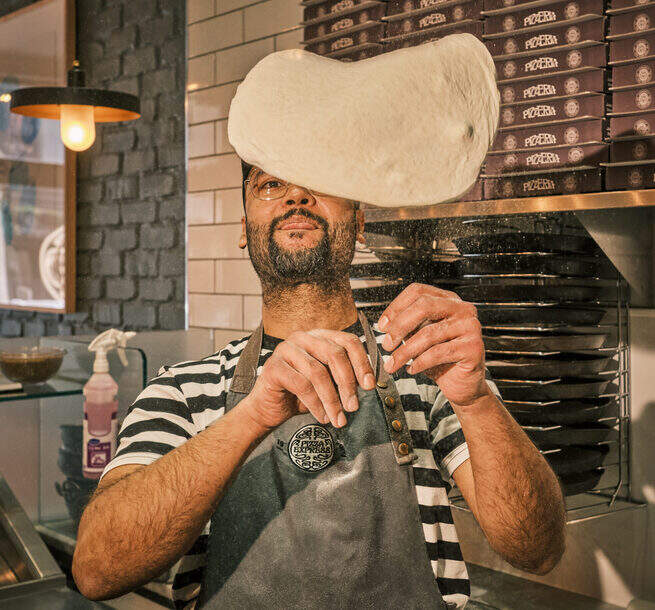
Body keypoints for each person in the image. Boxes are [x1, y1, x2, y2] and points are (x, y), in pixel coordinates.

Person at [73, 161, 566, 609]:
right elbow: (97, 570)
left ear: (358, 221)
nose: (297, 197)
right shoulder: (182, 389)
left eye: (321, 182)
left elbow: (538, 550)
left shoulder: (428, 370)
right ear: (245, 230)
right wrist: (253, 414)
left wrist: (477, 400)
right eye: (271, 184)